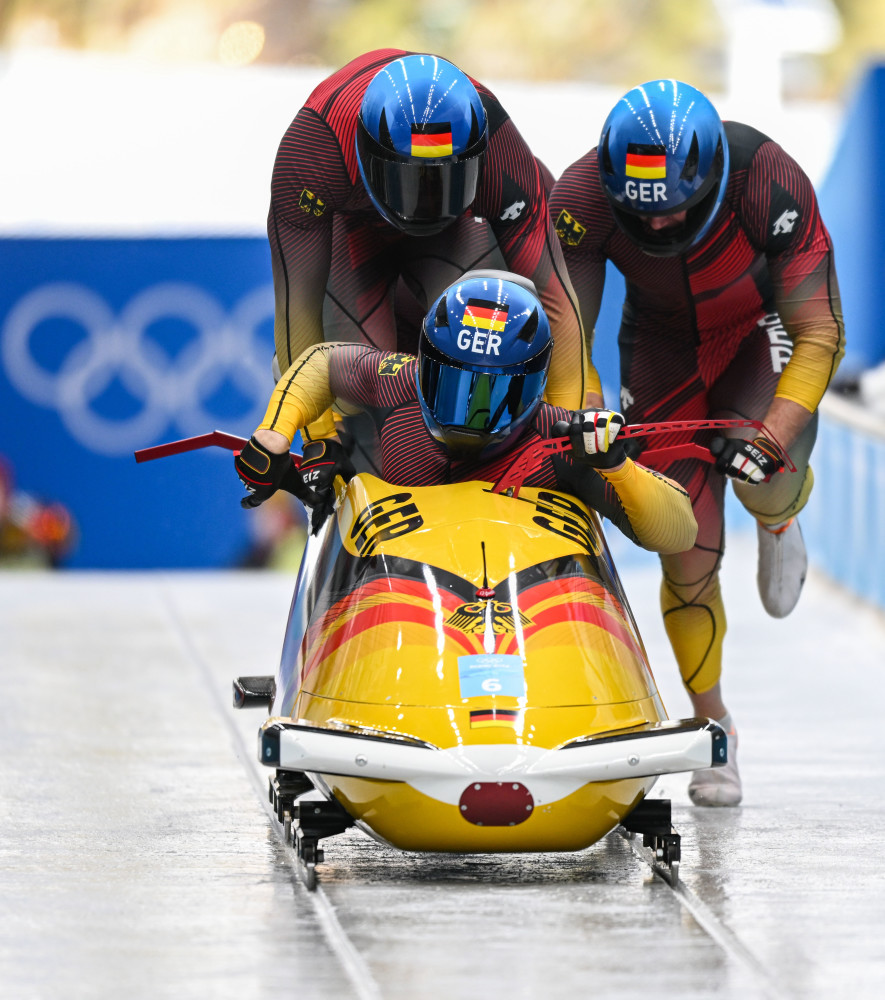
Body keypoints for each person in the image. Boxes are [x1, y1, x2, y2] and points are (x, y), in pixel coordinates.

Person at [549, 79, 846, 806]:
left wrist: (773, 438)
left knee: (756, 465)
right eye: (641, 212)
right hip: (659, 350)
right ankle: (713, 725)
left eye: (679, 208)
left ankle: (776, 513)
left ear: (713, 176)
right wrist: (587, 408)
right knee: (682, 546)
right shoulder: (581, 199)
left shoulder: (767, 180)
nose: (659, 226)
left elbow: (818, 331)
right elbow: (568, 335)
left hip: (758, 333)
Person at [266, 49, 598, 482]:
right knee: (361, 395)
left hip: (457, 233)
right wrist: (321, 438)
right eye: (406, 180)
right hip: (353, 230)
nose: (423, 201)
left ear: (476, 158)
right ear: (367, 154)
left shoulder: (501, 148)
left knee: (485, 342)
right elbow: (298, 307)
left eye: (444, 179)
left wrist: (559, 438)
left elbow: (554, 302)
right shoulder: (314, 149)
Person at [234, 271, 697, 563]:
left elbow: (678, 532)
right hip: (399, 600)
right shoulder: (398, 380)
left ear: (534, 385)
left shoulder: (560, 441)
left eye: (496, 393)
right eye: (456, 385)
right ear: (427, 365)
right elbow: (319, 364)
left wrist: (618, 466)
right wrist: (276, 434)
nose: (472, 415)